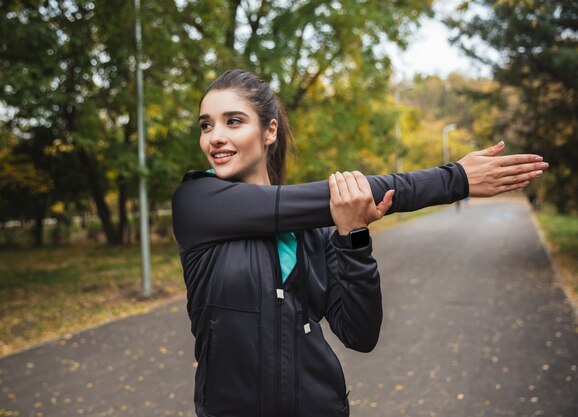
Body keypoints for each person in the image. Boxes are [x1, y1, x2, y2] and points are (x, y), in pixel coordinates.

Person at [171, 69, 548, 417]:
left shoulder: (315, 228)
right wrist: (455, 180)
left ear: (269, 132)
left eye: (232, 121)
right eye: (206, 125)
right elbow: (347, 194)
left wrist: (353, 239)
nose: (215, 136)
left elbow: (360, 334)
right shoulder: (197, 202)